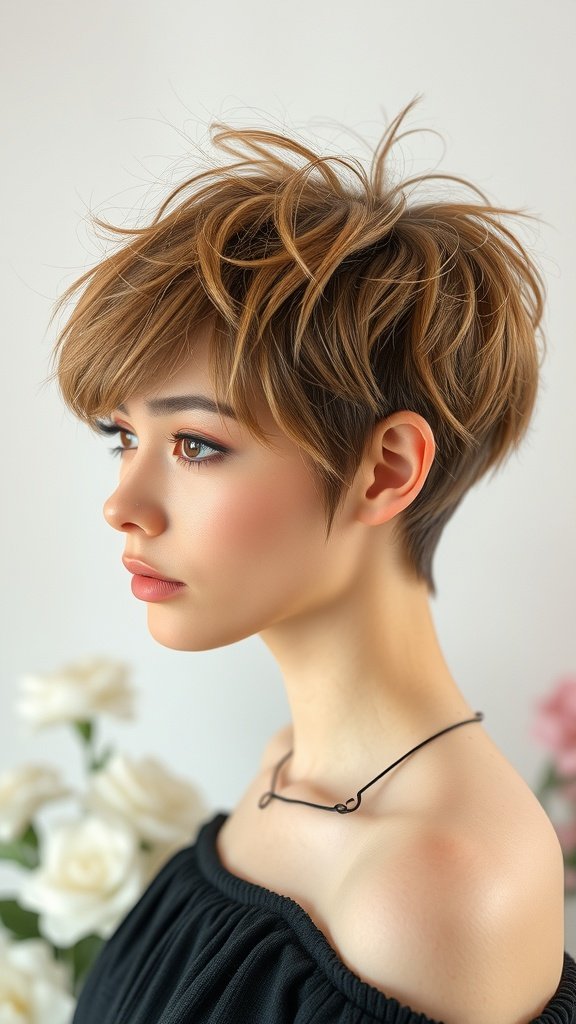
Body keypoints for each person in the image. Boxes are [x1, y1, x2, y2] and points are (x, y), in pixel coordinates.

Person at [48, 96, 576, 1023]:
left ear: (385, 469)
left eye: (197, 446)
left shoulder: (444, 888)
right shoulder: (286, 770)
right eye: (121, 437)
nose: (122, 506)